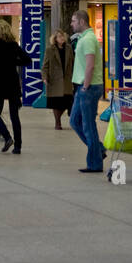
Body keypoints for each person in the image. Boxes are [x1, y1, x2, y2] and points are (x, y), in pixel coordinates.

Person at [67, 9, 107, 173]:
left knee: (88, 125)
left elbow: (90, 65)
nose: (71, 24)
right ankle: (98, 149)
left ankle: (95, 163)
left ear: (82, 22)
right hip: (82, 86)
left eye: (73, 21)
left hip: (88, 87)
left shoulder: (89, 39)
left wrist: (85, 85)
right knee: (74, 121)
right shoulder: (83, 38)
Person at [0, 19, 30, 154]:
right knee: (14, 116)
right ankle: (18, 146)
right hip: (12, 82)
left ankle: (7, 137)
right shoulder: (14, 45)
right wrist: (13, 61)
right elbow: (27, 59)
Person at [42, 27, 75, 131]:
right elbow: (45, 65)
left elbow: (73, 63)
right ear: (55, 39)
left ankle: (58, 119)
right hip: (54, 79)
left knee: (67, 101)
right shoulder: (49, 50)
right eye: (60, 37)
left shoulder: (69, 48)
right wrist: (45, 77)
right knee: (56, 102)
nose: (62, 38)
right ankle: (57, 122)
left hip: (67, 79)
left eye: (63, 36)